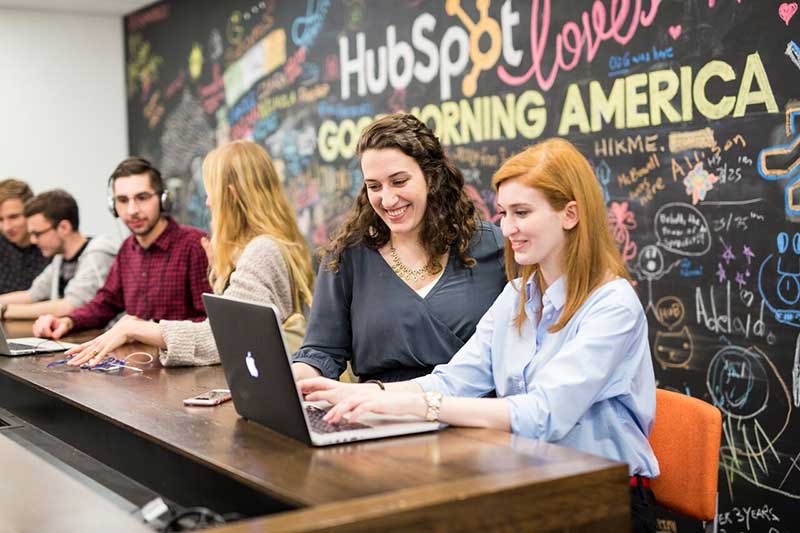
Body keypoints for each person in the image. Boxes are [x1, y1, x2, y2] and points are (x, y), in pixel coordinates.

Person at [298, 139, 659, 533]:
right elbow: (454, 380)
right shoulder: (518, 296)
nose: (507, 228)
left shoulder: (612, 305)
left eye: (522, 213)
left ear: (570, 214)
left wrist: (423, 407)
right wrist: (371, 395)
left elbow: (543, 416)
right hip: (529, 483)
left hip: (603, 497)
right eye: (504, 213)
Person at [291, 113, 507, 383]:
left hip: (470, 416)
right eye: (374, 186)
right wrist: (290, 379)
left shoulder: (493, 246)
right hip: (379, 416)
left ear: (431, 178)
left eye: (399, 181)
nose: (388, 199)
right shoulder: (347, 257)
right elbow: (321, 351)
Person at [64, 140, 314, 367]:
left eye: (210, 192)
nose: (207, 202)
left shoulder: (261, 250)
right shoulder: (268, 246)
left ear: (231, 194)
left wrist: (136, 329)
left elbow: (225, 336)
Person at [33, 157, 210, 339]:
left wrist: (153, 332)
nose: (132, 210)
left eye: (142, 198)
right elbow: (105, 303)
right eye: (123, 200)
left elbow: (209, 323)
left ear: (163, 200)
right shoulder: (128, 248)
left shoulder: (195, 245)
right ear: (113, 207)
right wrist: (68, 321)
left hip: (183, 362)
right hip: (139, 360)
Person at [0, 190, 118, 320]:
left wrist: (4, 311)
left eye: (37, 234)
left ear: (64, 227)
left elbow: (71, 306)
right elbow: (33, 294)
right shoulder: (60, 258)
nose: (33, 240)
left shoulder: (97, 254)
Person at [0, 179, 49, 294]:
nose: (7, 227)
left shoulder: (51, 245)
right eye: (0, 220)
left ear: (31, 211)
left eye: (14, 217)